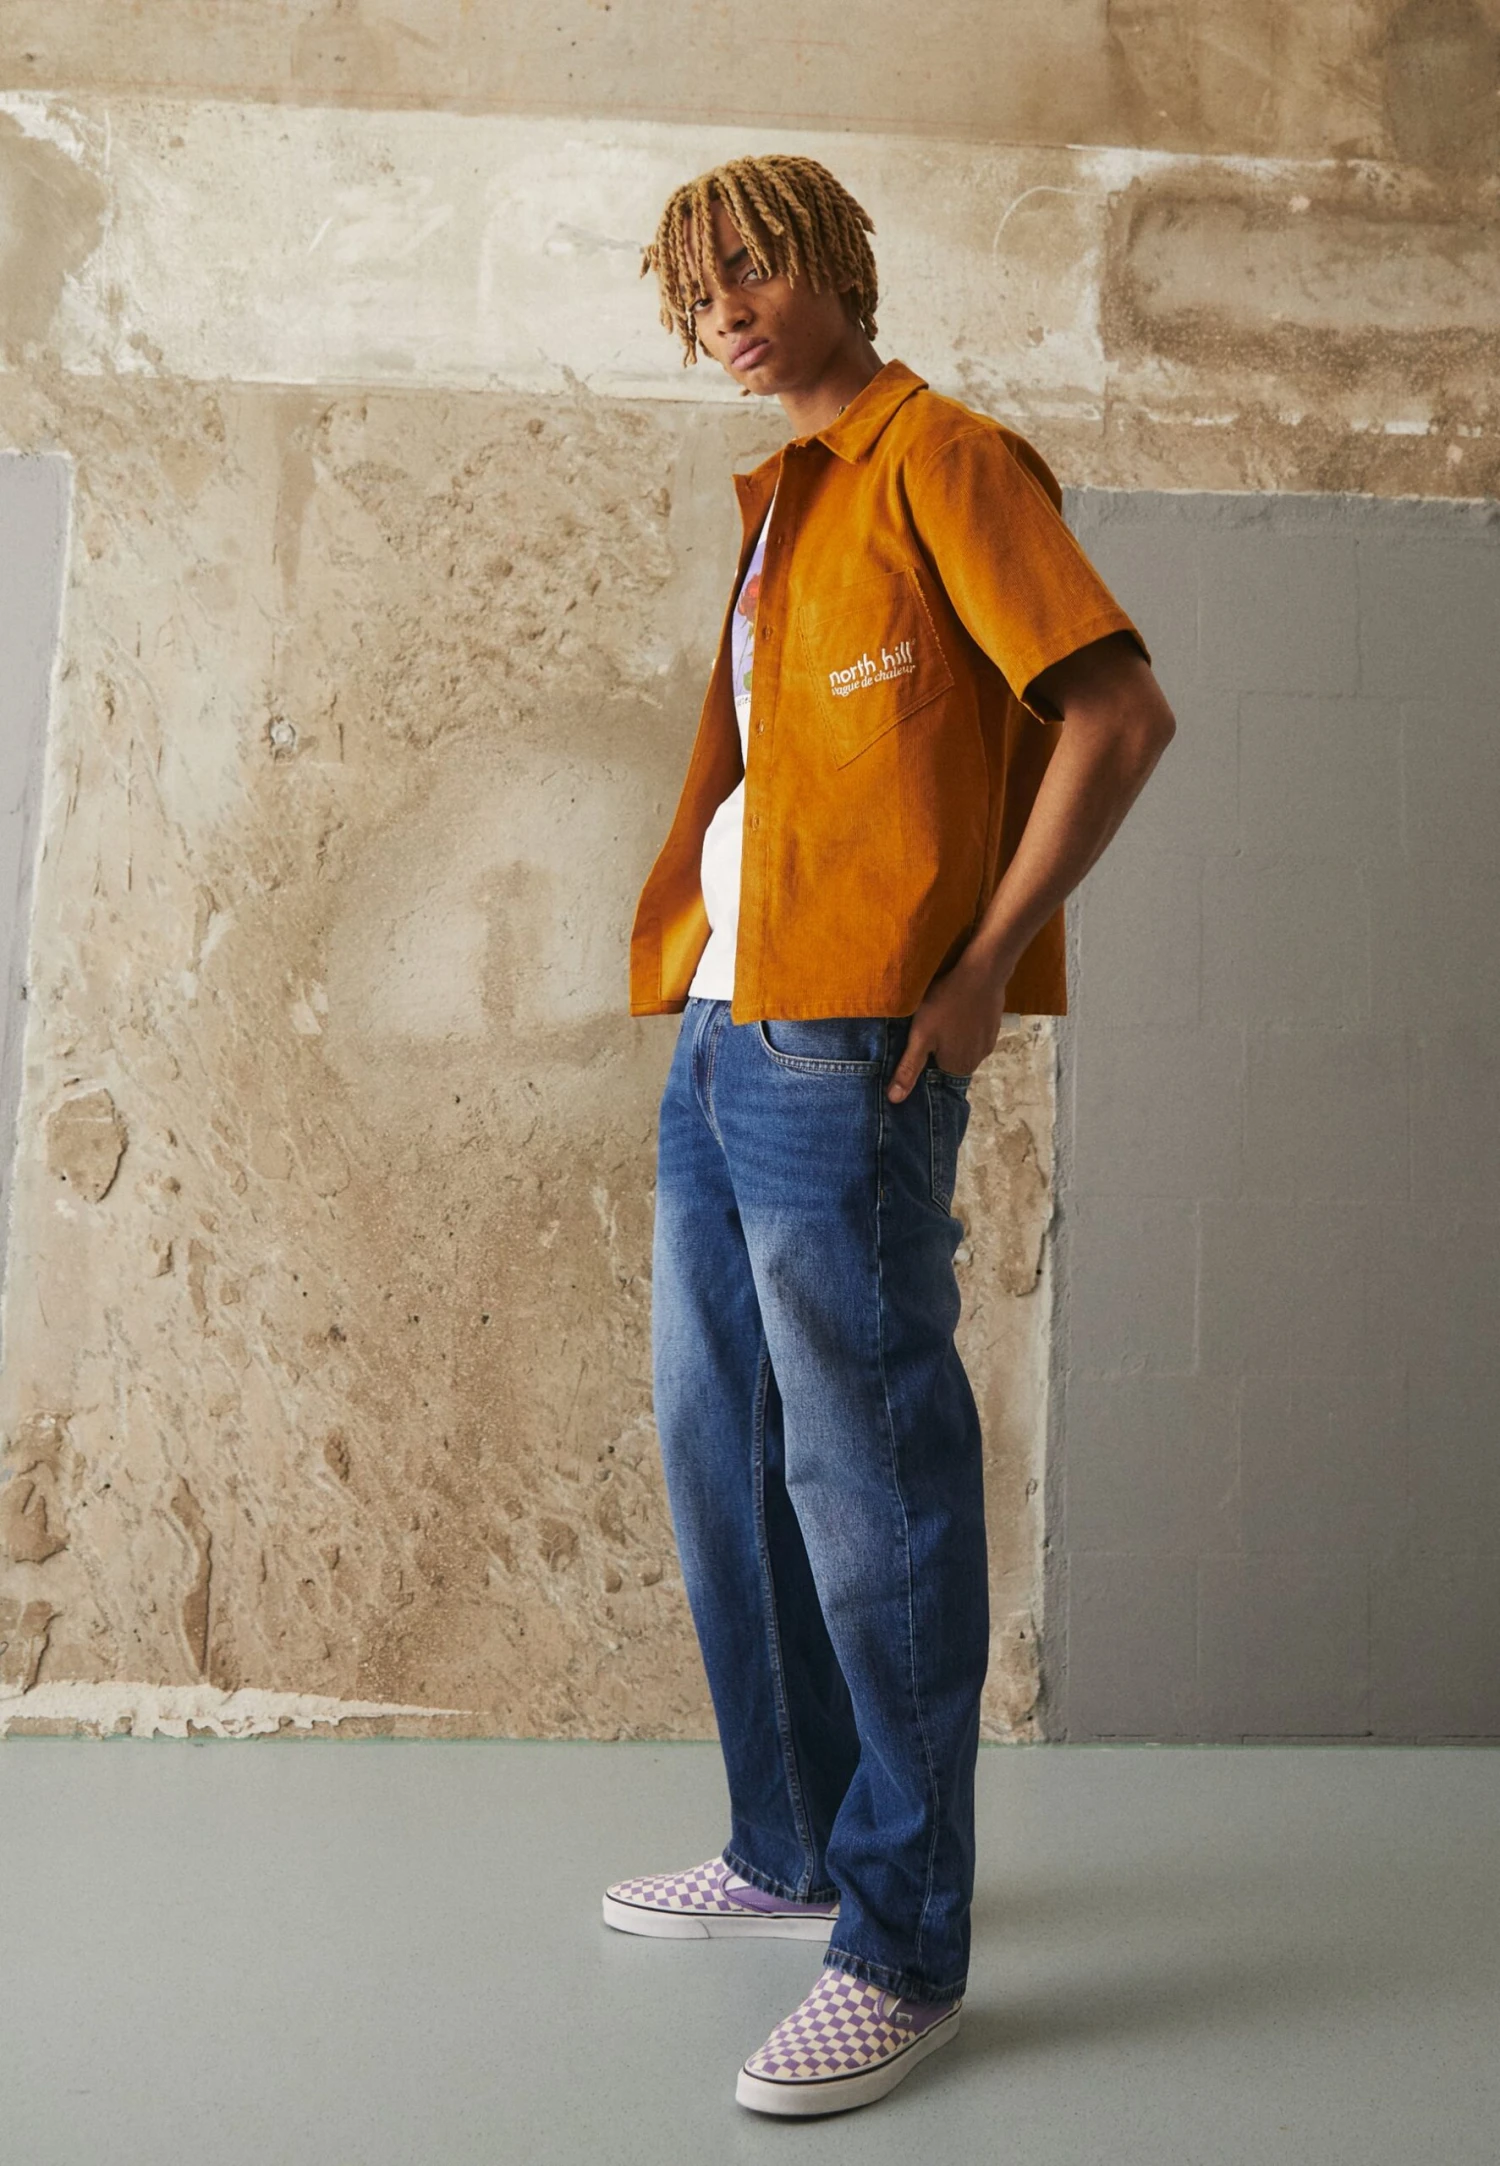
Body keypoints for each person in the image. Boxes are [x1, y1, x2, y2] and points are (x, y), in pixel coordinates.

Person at [602, 153, 1176, 2119]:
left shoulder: (948, 459)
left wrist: (981, 968)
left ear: (836, 261)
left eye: (753, 267)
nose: (726, 309)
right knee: (723, 1442)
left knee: (875, 1485)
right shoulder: (789, 499)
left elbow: (1117, 714)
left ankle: (903, 1942)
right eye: (695, 291)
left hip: (851, 1040)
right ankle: (788, 1845)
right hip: (722, 1016)